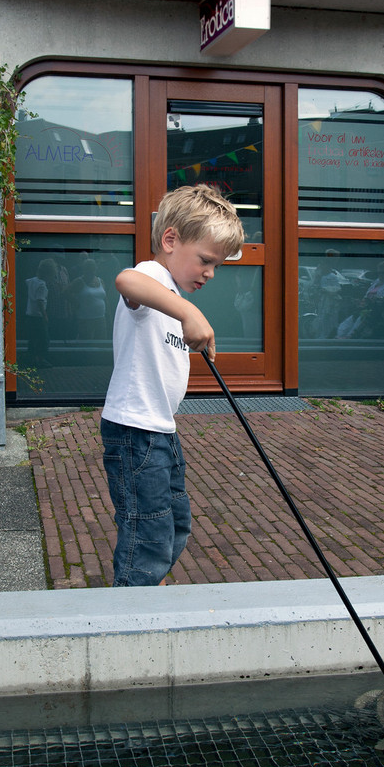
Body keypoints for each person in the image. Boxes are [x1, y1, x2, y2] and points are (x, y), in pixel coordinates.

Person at [100, 184, 244, 587]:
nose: (210, 273)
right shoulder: (153, 277)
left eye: (216, 265)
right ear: (170, 240)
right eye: (205, 260)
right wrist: (187, 310)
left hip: (161, 429)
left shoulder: (168, 295)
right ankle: (134, 609)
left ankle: (149, 582)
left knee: (175, 522)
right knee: (148, 533)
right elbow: (126, 280)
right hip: (135, 430)